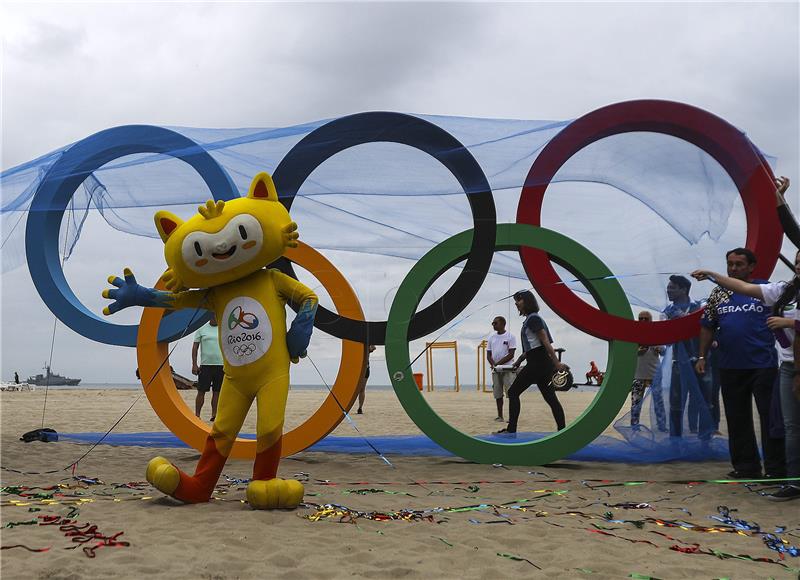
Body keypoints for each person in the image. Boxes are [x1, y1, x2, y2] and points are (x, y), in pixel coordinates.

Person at [693, 250, 800, 500]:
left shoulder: (774, 290)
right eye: (729, 264)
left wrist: (788, 325)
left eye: (739, 264)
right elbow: (707, 325)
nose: (734, 268)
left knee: (772, 419)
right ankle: (746, 467)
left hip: (765, 364)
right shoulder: (720, 293)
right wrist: (701, 356)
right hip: (730, 365)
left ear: (752, 266)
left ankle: (776, 470)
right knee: (739, 417)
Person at [497, 290, 566, 435]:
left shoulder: (533, 319)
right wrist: (519, 361)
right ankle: (562, 431)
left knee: (513, 392)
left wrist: (557, 363)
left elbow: (545, 342)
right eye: (516, 300)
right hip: (540, 362)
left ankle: (511, 430)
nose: (516, 303)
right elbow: (532, 346)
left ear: (527, 301)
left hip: (538, 362)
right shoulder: (531, 318)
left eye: (519, 300)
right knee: (550, 398)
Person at [662, 275, 713, 439]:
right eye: (668, 287)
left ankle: (706, 438)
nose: (668, 290)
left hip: (702, 360)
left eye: (672, 287)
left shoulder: (700, 306)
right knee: (676, 403)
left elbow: (711, 327)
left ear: (683, 289)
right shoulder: (667, 313)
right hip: (679, 363)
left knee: (706, 400)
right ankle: (675, 440)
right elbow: (665, 339)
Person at [630, 311, 666, 431]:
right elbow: (626, 353)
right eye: (641, 319)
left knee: (658, 402)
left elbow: (664, 351)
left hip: (654, 373)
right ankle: (634, 426)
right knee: (635, 402)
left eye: (646, 319)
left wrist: (657, 346)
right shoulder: (633, 334)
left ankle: (661, 426)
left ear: (651, 320)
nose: (643, 321)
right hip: (638, 374)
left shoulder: (656, 334)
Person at [191, 313, 224, 421]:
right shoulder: (201, 330)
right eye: (213, 315)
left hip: (221, 366)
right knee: (201, 391)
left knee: (217, 392)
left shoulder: (223, 329)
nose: (215, 317)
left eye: (216, 315)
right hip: (206, 366)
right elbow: (195, 347)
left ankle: (214, 415)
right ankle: (197, 415)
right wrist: (194, 364)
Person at [487, 316, 517, 422]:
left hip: (507, 368)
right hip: (496, 370)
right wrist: (493, 365)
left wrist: (498, 364)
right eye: (493, 323)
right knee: (498, 392)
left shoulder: (510, 336)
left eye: (495, 323)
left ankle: (511, 417)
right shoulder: (491, 337)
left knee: (511, 393)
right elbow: (488, 354)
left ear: (503, 324)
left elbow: (511, 354)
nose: (493, 325)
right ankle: (500, 415)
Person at [356, 345, 376, 414]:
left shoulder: (366, 342)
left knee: (362, 389)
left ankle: (360, 407)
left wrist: (369, 348)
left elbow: (373, 347)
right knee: (355, 389)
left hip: (365, 368)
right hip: (355, 368)